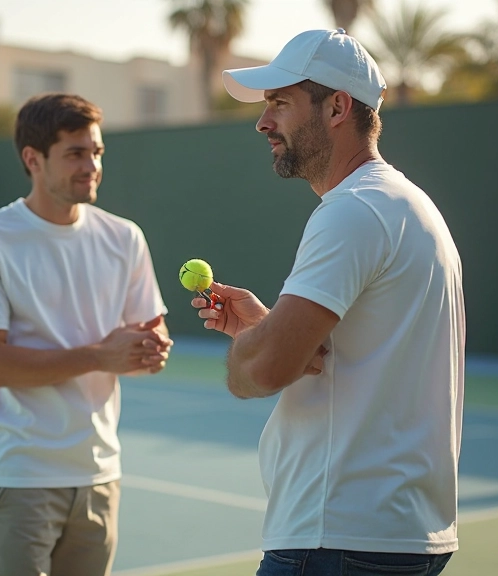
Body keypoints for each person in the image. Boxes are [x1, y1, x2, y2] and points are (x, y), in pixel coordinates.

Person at [192, 29, 465, 575]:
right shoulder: (409, 206)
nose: (263, 122)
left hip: (336, 538)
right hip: (399, 538)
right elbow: (342, 354)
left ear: (338, 106)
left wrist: (251, 349)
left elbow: (265, 370)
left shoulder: (352, 211)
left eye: (281, 103)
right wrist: (272, 331)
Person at [0, 93, 172, 576]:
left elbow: (141, 349)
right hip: (19, 477)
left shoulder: (125, 237)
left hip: (100, 476)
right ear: (33, 159)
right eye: (75, 153)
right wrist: (99, 355)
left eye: (96, 152)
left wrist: (149, 352)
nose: (91, 165)